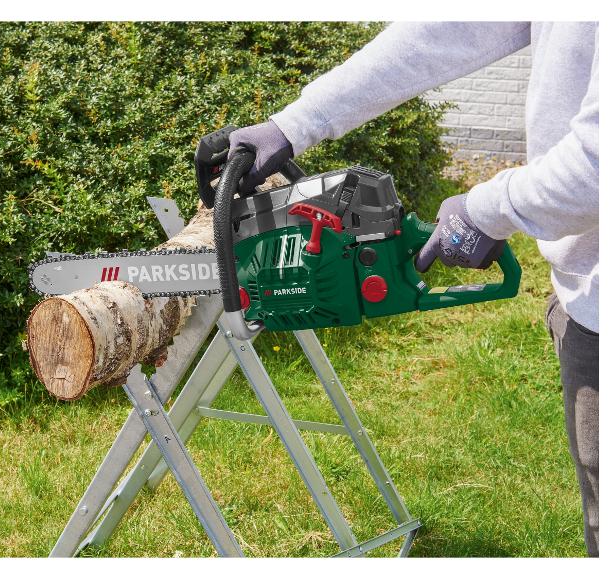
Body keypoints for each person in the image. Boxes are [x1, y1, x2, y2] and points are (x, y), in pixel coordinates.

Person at [227, 22, 599, 556]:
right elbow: (453, 27)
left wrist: (485, 211)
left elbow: (598, 164)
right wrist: (293, 125)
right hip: (587, 298)